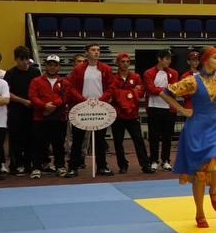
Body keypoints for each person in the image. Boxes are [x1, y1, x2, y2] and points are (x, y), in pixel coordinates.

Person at [161, 47, 216, 229]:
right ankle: (200, 212)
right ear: (206, 60)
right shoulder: (192, 81)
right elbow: (165, 92)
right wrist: (182, 110)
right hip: (196, 127)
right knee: (200, 173)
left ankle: (215, 190)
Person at [65, 42, 113, 176]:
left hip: (100, 109)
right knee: (78, 140)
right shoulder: (79, 69)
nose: (96, 52)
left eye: (98, 50)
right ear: (87, 52)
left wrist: (101, 101)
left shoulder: (105, 69)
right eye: (93, 50)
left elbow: (111, 87)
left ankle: (102, 167)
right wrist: (82, 100)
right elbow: (71, 87)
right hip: (82, 108)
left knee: (100, 140)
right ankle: (73, 167)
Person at [108, 52, 151, 175]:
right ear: (117, 63)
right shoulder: (113, 78)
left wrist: (122, 93)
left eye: (127, 61)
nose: (125, 64)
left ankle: (145, 164)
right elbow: (113, 93)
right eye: (123, 61)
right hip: (118, 115)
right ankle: (122, 165)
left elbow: (140, 92)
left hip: (132, 114)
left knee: (139, 140)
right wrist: (130, 93)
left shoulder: (136, 77)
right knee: (118, 141)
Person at [28, 55, 68, 178]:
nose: (52, 67)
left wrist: (52, 107)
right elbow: (32, 97)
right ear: (45, 65)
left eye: (55, 65)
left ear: (59, 67)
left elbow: (66, 97)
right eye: (50, 64)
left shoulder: (64, 82)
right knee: (38, 144)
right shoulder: (36, 81)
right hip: (40, 118)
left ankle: (60, 166)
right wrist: (44, 106)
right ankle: (36, 168)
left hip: (59, 118)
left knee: (58, 144)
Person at [3, 47, 39, 177]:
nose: (25, 62)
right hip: (16, 110)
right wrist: (23, 101)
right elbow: (7, 92)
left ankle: (29, 164)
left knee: (32, 138)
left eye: (27, 59)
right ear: (16, 59)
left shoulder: (35, 72)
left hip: (33, 111)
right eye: (21, 60)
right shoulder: (10, 73)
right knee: (16, 139)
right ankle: (16, 165)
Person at [143, 50, 178, 172]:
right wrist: (165, 90)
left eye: (170, 59)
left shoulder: (174, 73)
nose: (169, 61)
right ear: (159, 59)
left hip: (169, 108)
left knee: (168, 136)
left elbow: (174, 89)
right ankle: (153, 160)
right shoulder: (149, 73)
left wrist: (161, 90)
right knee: (154, 136)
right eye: (167, 59)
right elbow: (150, 89)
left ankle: (166, 160)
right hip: (154, 108)